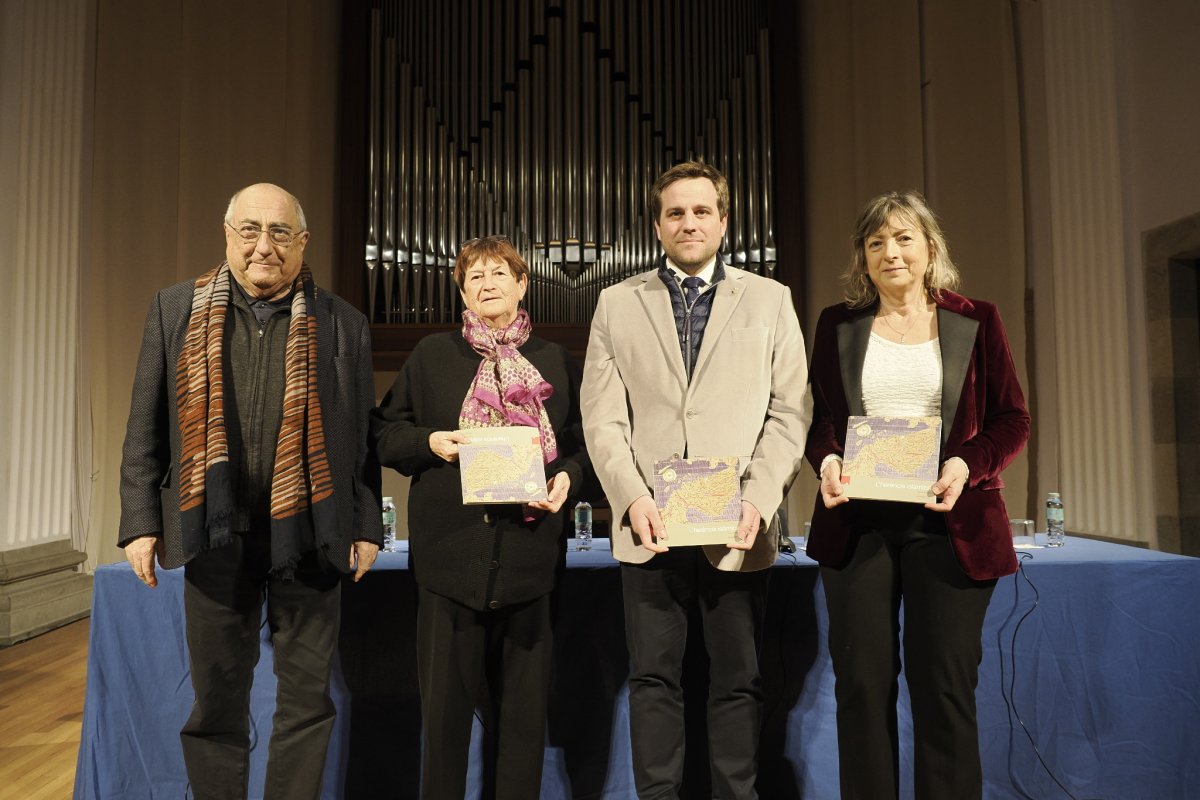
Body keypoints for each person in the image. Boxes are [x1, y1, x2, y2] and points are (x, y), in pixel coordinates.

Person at [119, 183, 382, 800]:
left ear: (302, 242)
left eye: (280, 232)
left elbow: (362, 443)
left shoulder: (344, 323)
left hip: (313, 535)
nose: (265, 246)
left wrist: (367, 524)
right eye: (250, 230)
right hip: (213, 533)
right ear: (228, 235)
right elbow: (144, 424)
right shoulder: (174, 308)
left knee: (307, 703)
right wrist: (139, 520)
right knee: (216, 704)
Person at [581, 161, 810, 798]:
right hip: (650, 527)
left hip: (737, 526)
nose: (689, 222)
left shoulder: (770, 299)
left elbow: (791, 412)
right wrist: (630, 500)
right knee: (654, 680)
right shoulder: (616, 302)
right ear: (657, 225)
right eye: (676, 212)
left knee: (738, 680)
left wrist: (759, 502)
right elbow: (601, 419)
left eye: (702, 211)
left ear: (724, 221)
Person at [804, 191, 1030, 799]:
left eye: (904, 238)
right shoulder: (838, 323)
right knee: (861, 687)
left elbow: (1013, 419)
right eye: (876, 242)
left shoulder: (977, 318)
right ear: (863, 257)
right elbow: (821, 419)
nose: (890, 252)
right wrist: (826, 460)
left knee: (944, 691)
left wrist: (966, 463)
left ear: (931, 249)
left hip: (951, 524)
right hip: (859, 525)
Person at [370, 235, 590, 799]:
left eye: (499, 274)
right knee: (443, 726)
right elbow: (384, 435)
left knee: (522, 727)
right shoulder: (430, 356)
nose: (487, 284)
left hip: (530, 562)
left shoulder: (555, 360)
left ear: (522, 284)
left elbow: (582, 446)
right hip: (449, 565)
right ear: (461, 292)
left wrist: (567, 477)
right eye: (474, 278)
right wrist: (433, 442)